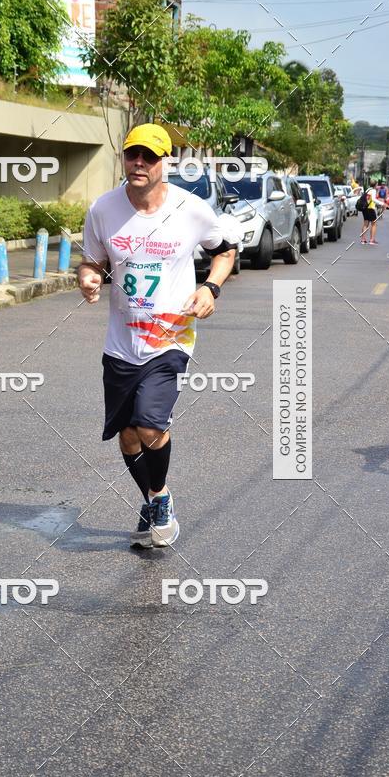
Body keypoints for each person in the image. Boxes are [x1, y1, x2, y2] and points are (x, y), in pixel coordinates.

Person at [78, 123, 242, 549]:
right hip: (120, 344)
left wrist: (211, 287)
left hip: (170, 339)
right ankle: (150, 502)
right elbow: (91, 261)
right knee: (127, 434)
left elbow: (225, 250)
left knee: (150, 426)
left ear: (165, 163)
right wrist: (90, 278)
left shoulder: (192, 210)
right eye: (133, 154)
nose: (139, 163)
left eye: (149, 157)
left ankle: (160, 496)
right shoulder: (103, 209)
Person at [360, 181, 385, 246]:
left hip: (364, 208)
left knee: (365, 223)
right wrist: (382, 204)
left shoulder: (368, 189)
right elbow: (373, 199)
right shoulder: (373, 190)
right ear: (375, 185)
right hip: (370, 208)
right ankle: (372, 240)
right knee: (374, 224)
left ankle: (363, 240)